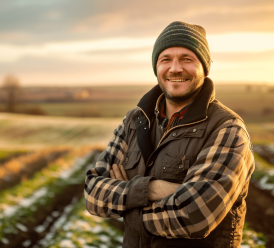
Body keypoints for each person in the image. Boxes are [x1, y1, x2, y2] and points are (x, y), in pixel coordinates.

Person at [84, 21, 255, 248]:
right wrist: (152, 189)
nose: (175, 68)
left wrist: (129, 206)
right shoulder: (135, 121)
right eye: (166, 59)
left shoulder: (227, 129)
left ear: (204, 68)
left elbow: (195, 215)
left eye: (187, 59)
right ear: (157, 67)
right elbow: (93, 193)